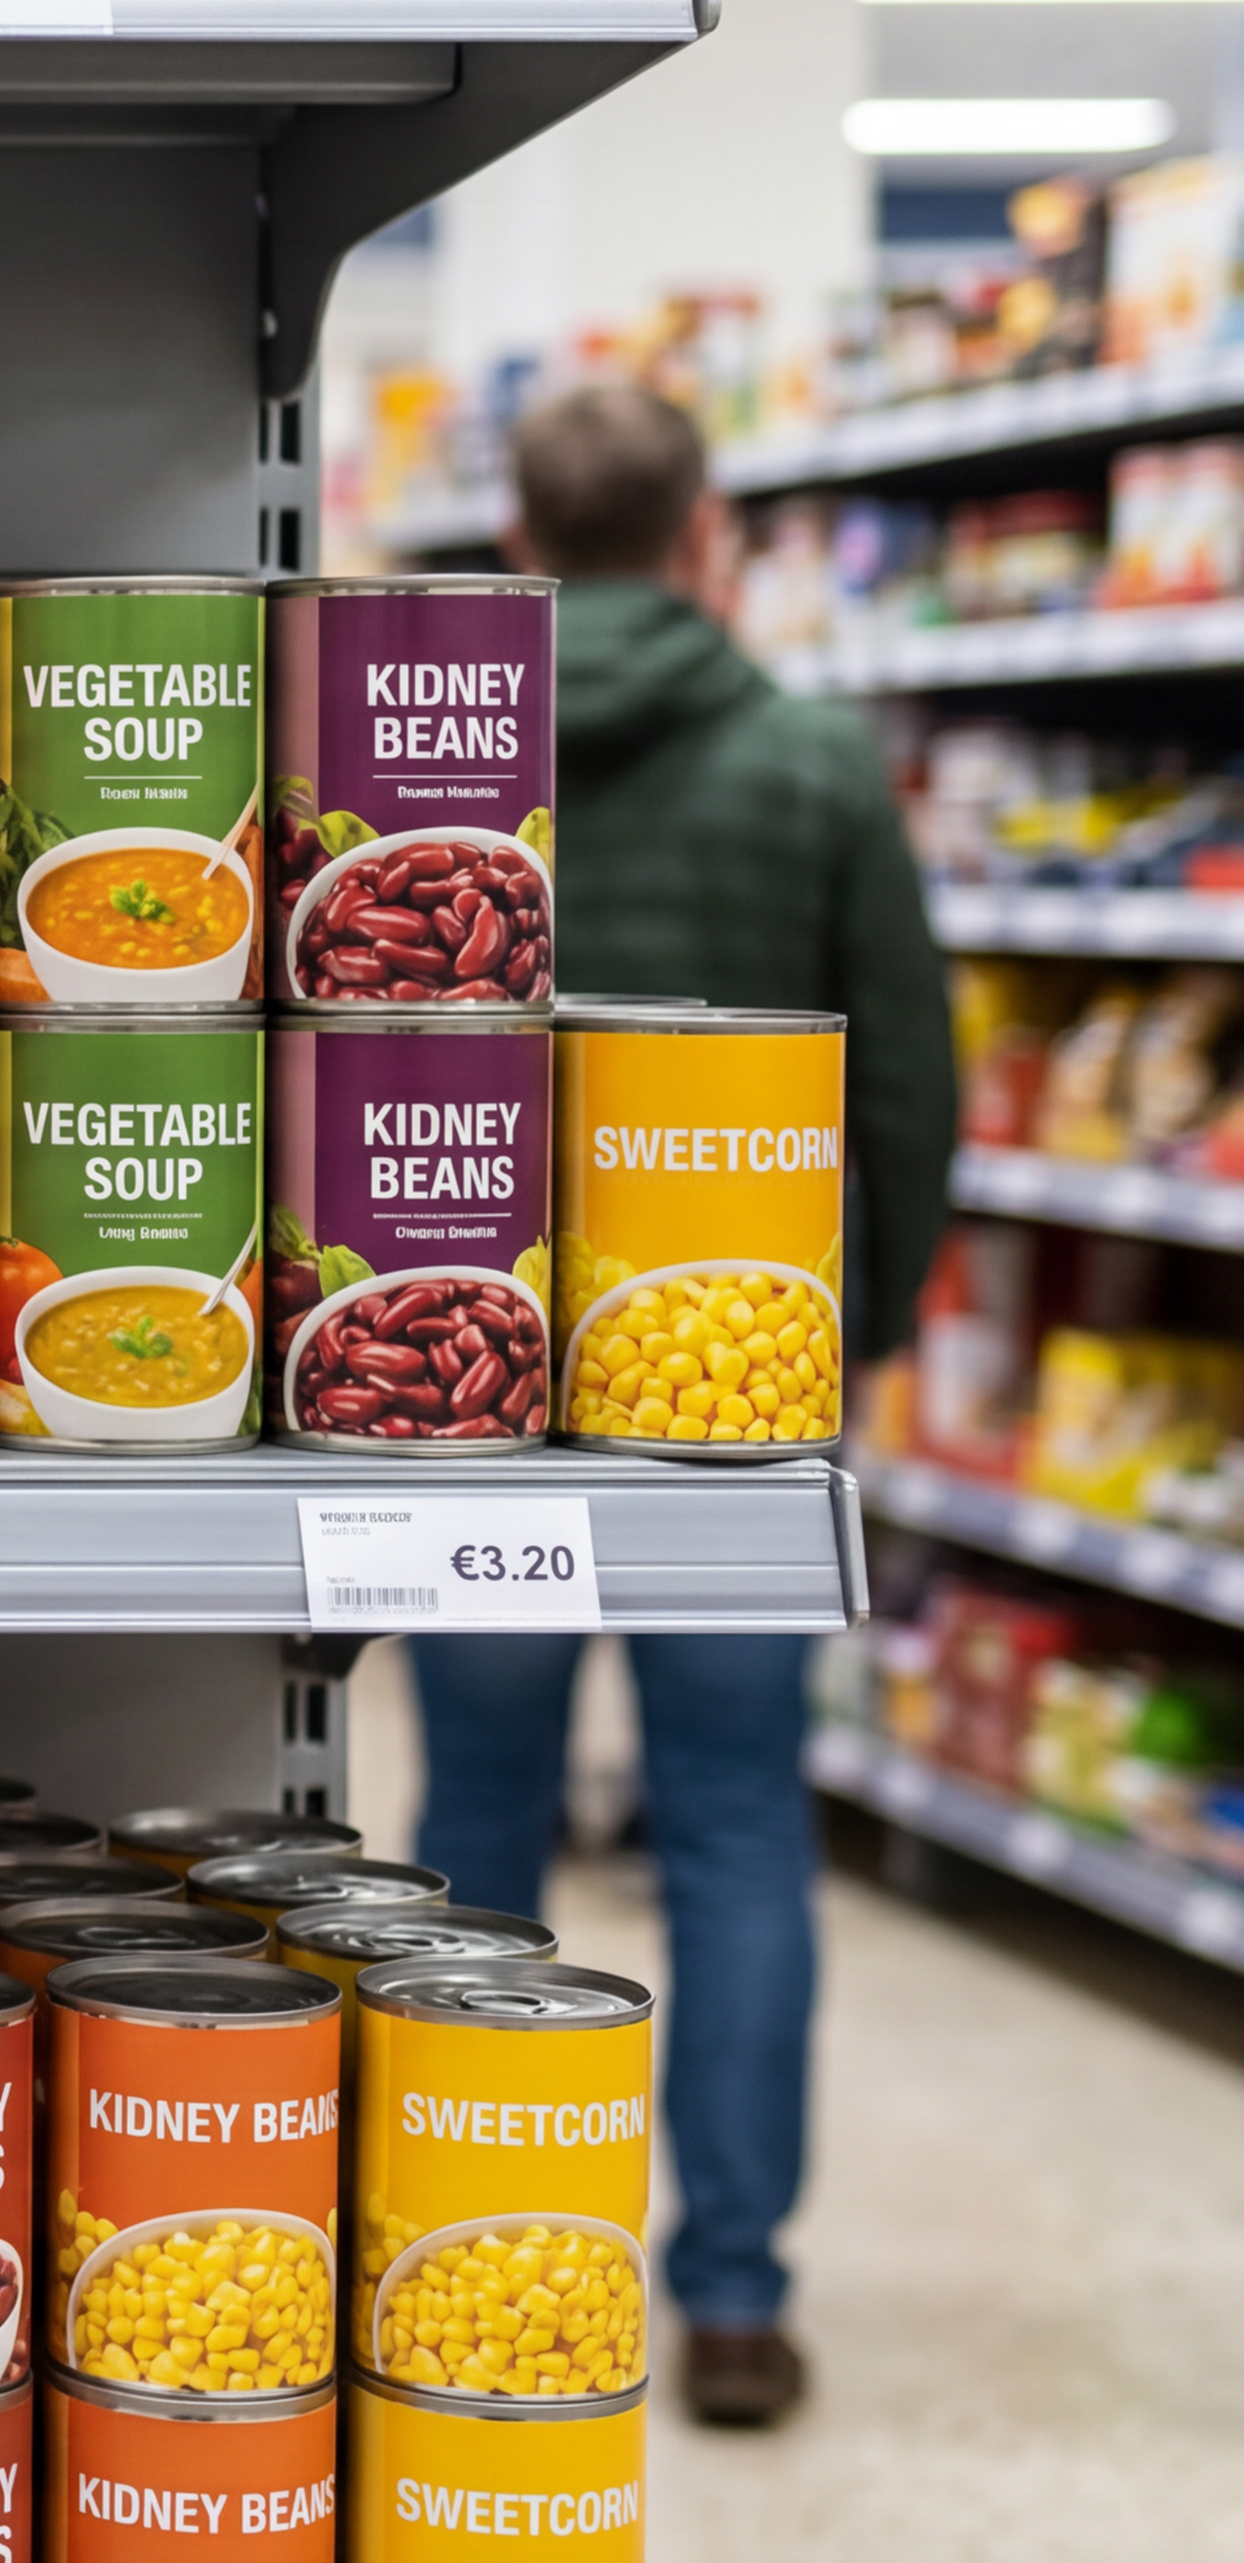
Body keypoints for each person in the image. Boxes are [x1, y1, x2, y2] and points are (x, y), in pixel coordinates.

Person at [417, 376, 955, 2430]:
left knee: (479, 1819)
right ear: (707, 533)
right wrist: (854, 1335)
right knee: (733, 1824)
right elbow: (905, 1086)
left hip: (468, 1367)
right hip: (733, 1380)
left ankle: (475, 2255)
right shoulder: (811, 761)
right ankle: (728, 2299)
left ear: (518, 551)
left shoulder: (455, 758)